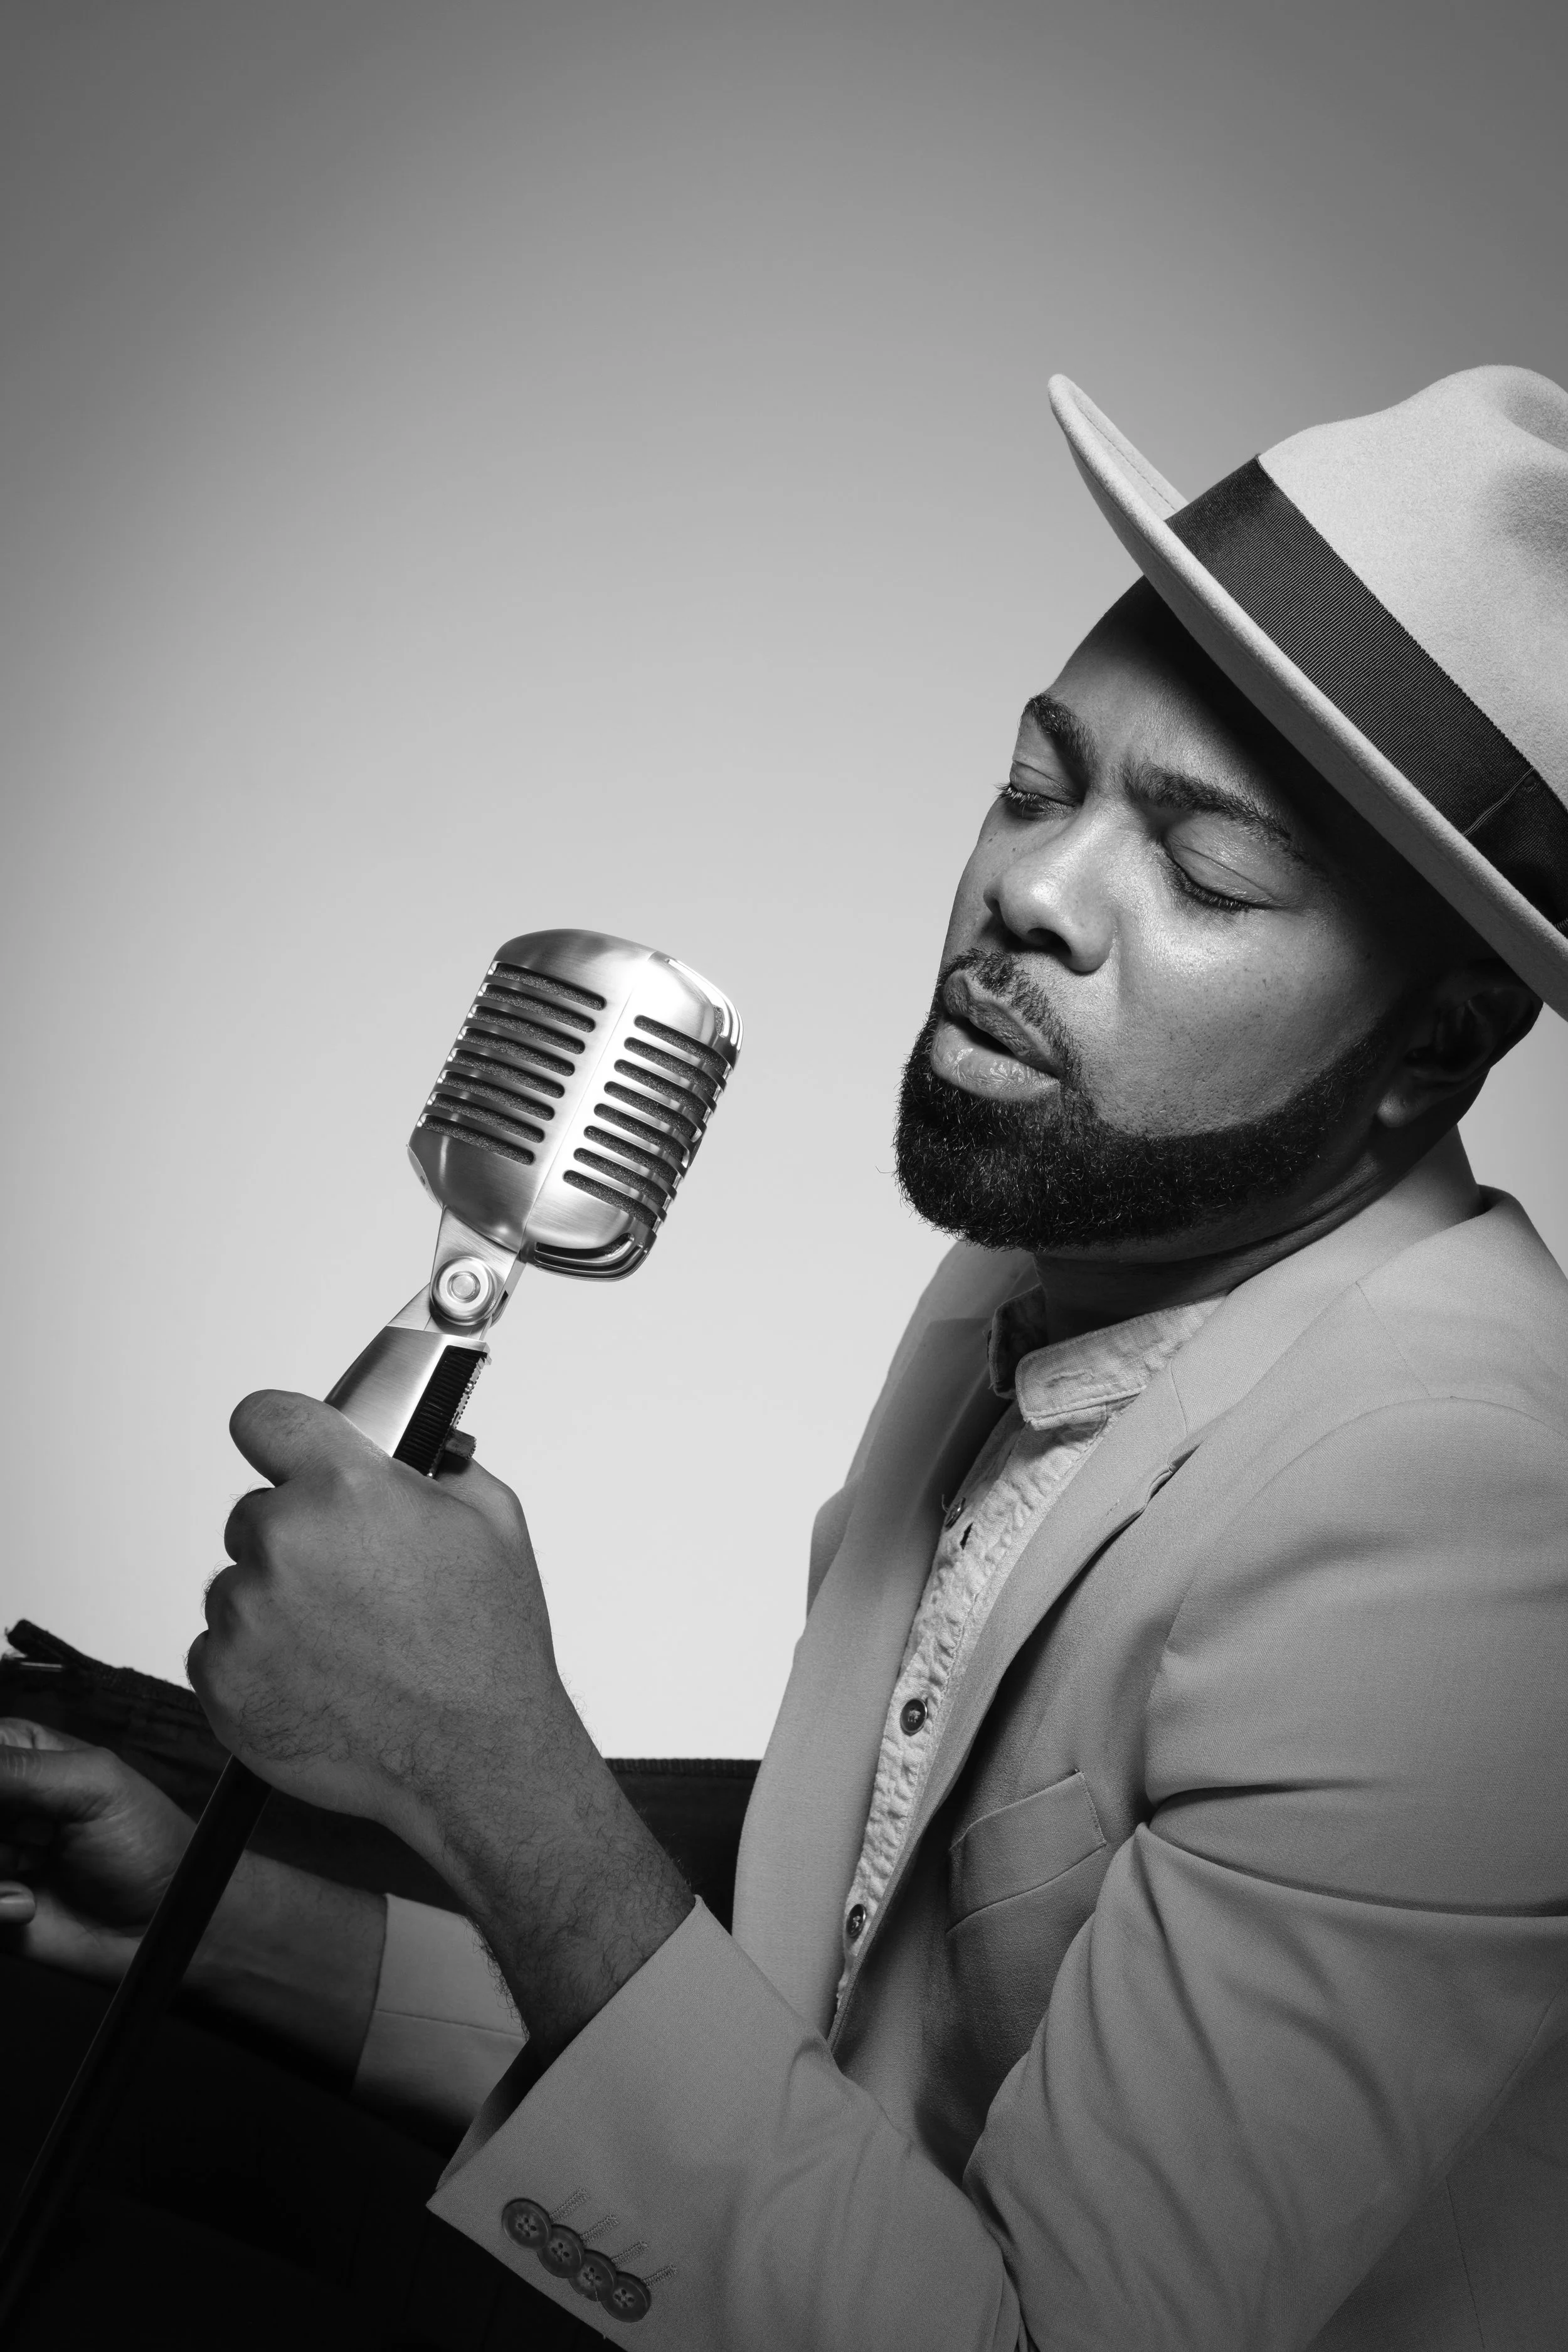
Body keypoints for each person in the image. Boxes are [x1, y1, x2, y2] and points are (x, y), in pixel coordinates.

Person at [5, 363, 1568, 2350]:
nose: (1031, 893)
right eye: (1036, 779)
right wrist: (226, 1926)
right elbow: (800, 2047)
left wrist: (501, 1776)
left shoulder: (1479, 1530)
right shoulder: (1053, 1252)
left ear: (1431, 1052)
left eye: (1201, 871)